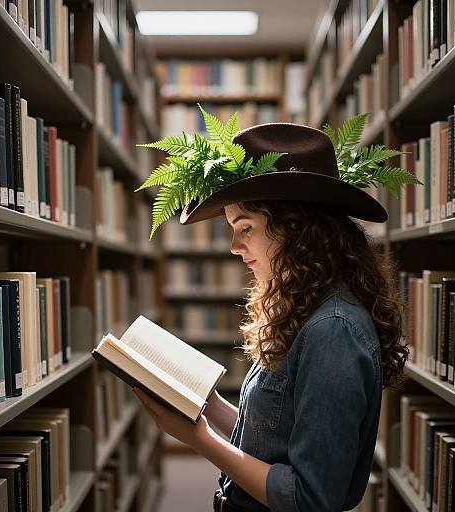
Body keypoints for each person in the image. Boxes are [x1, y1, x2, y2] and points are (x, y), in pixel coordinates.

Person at [133, 112, 413, 511]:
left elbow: (310, 498)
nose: (233, 246)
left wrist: (200, 439)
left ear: (295, 228)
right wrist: (206, 405)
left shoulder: (333, 330)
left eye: (245, 228)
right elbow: (269, 441)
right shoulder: (303, 309)